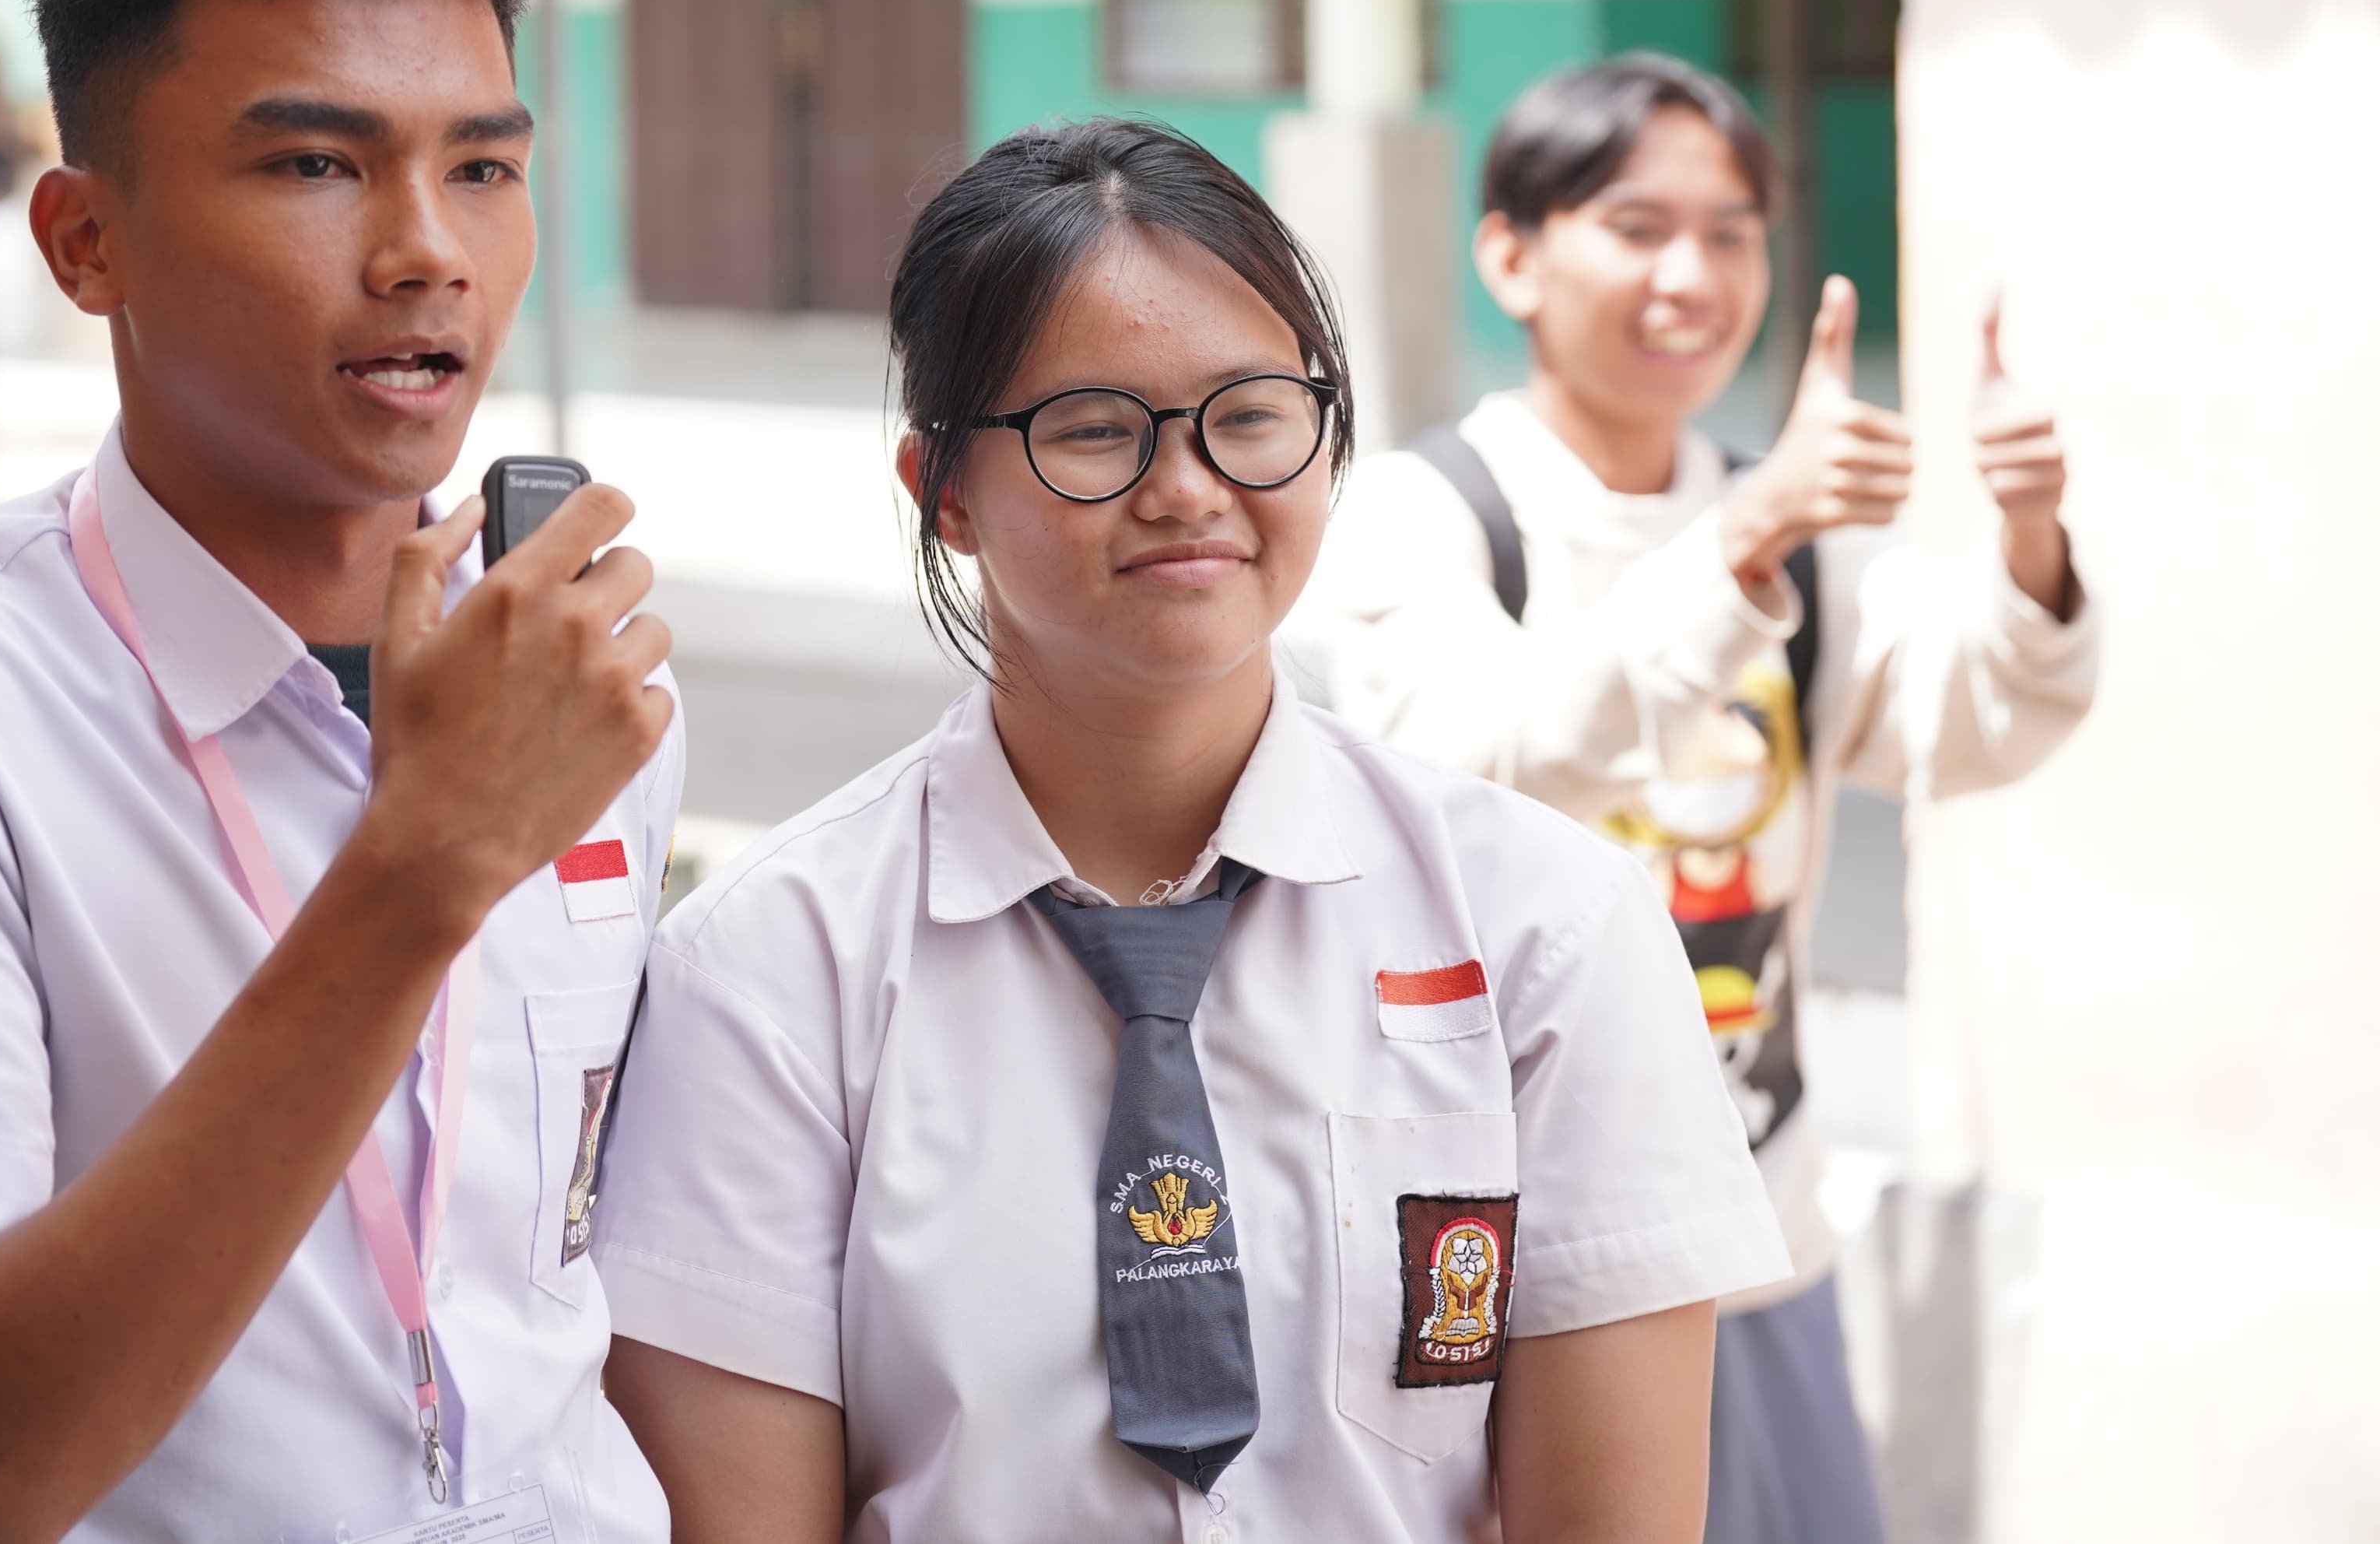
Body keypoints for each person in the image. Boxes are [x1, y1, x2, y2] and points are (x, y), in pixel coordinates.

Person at [0, 0, 684, 1542]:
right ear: (88, 241)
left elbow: (602, 1293)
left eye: (483, 166)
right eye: (314, 164)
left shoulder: (571, 668)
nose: (426, 250)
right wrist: (422, 863)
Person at [595, 118, 1789, 1543]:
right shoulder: (772, 971)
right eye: (1095, 427)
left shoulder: (1548, 927)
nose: (1186, 485)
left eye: (1250, 413)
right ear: (945, 489)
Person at [1292, 53, 2101, 1544]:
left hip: (1753, 1221)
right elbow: (1479, 764)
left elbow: (1965, 717)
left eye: (1732, 232)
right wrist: (1744, 535)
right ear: (1513, 253)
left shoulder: (1782, 524)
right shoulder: (1434, 511)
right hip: (1507, 1257)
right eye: (1639, 224)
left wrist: (2033, 543)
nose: (1694, 273)